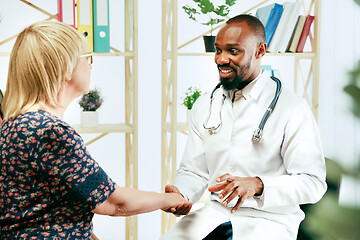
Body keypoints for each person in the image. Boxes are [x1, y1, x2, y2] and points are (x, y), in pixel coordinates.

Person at [0, 21, 191, 239]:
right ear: (65, 68)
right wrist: (169, 200)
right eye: (87, 58)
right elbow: (113, 202)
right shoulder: (50, 131)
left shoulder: (15, 123)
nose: (91, 66)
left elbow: (49, 206)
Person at [161, 14, 327, 240]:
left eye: (233, 51)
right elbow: (194, 170)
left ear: (260, 51)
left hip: (270, 219)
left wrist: (258, 185)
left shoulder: (292, 108)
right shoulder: (204, 105)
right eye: (218, 50)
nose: (221, 59)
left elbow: (313, 183)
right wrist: (181, 194)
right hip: (216, 213)